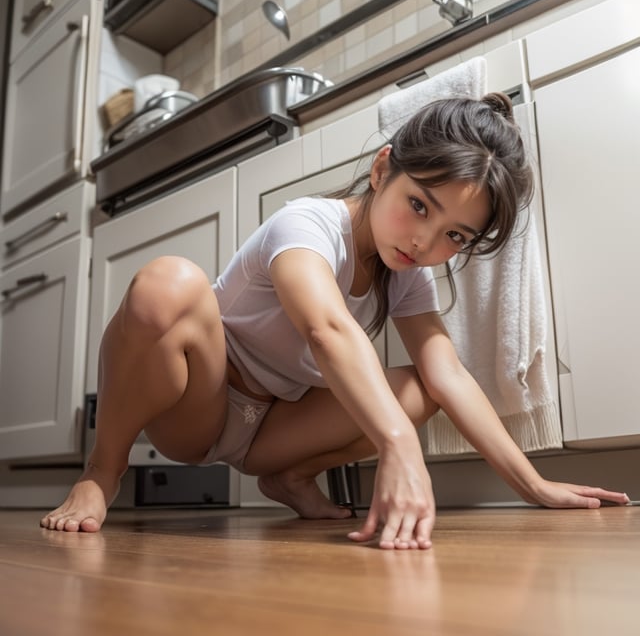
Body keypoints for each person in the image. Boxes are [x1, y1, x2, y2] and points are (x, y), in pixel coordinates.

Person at [41, 93, 629, 548]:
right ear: (381, 171)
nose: (424, 242)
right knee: (168, 283)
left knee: (424, 382)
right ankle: (101, 471)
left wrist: (535, 485)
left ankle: (288, 479)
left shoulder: (406, 273)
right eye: (419, 206)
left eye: (454, 235)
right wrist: (398, 445)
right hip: (200, 408)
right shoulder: (308, 224)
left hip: (274, 430)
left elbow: (448, 375)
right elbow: (328, 330)